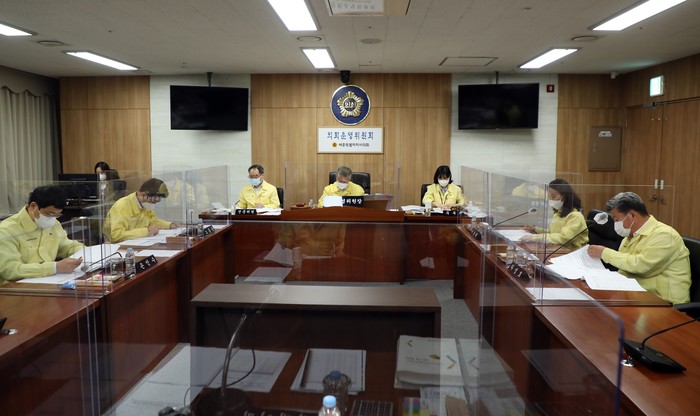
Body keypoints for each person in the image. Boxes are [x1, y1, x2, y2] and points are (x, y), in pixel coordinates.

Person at [587, 192, 691, 304]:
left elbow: (641, 266)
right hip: (637, 296)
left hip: (664, 303)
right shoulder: (630, 236)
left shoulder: (665, 235)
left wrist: (604, 253)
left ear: (632, 215)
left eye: (616, 220)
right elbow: (624, 269)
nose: (615, 224)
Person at [0, 185, 84, 284]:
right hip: (15, 288)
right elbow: (10, 270)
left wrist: (84, 252)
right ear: (33, 206)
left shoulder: (53, 224)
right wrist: (55, 267)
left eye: (57, 215)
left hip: (48, 282)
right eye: (49, 214)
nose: (52, 218)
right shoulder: (7, 230)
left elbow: (66, 246)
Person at [103, 178, 179, 243]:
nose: (154, 204)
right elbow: (116, 235)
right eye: (153, 201)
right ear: (143, 195)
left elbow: (153, 221)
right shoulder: (122, 206)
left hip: (138, 242)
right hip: (117, 246)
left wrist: (170, 225)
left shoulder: (144, 205)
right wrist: (147, 231)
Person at [521, 179, 588, 249]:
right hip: (559, 248)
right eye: (549, 197)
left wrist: (535, 237)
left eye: (553, 197)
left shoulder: (576, 216)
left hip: (572, 252)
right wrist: (536, 229)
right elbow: (553, 233)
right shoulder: (558, 213)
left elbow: (564, 237)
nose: (551, 200)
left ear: (564, 196)